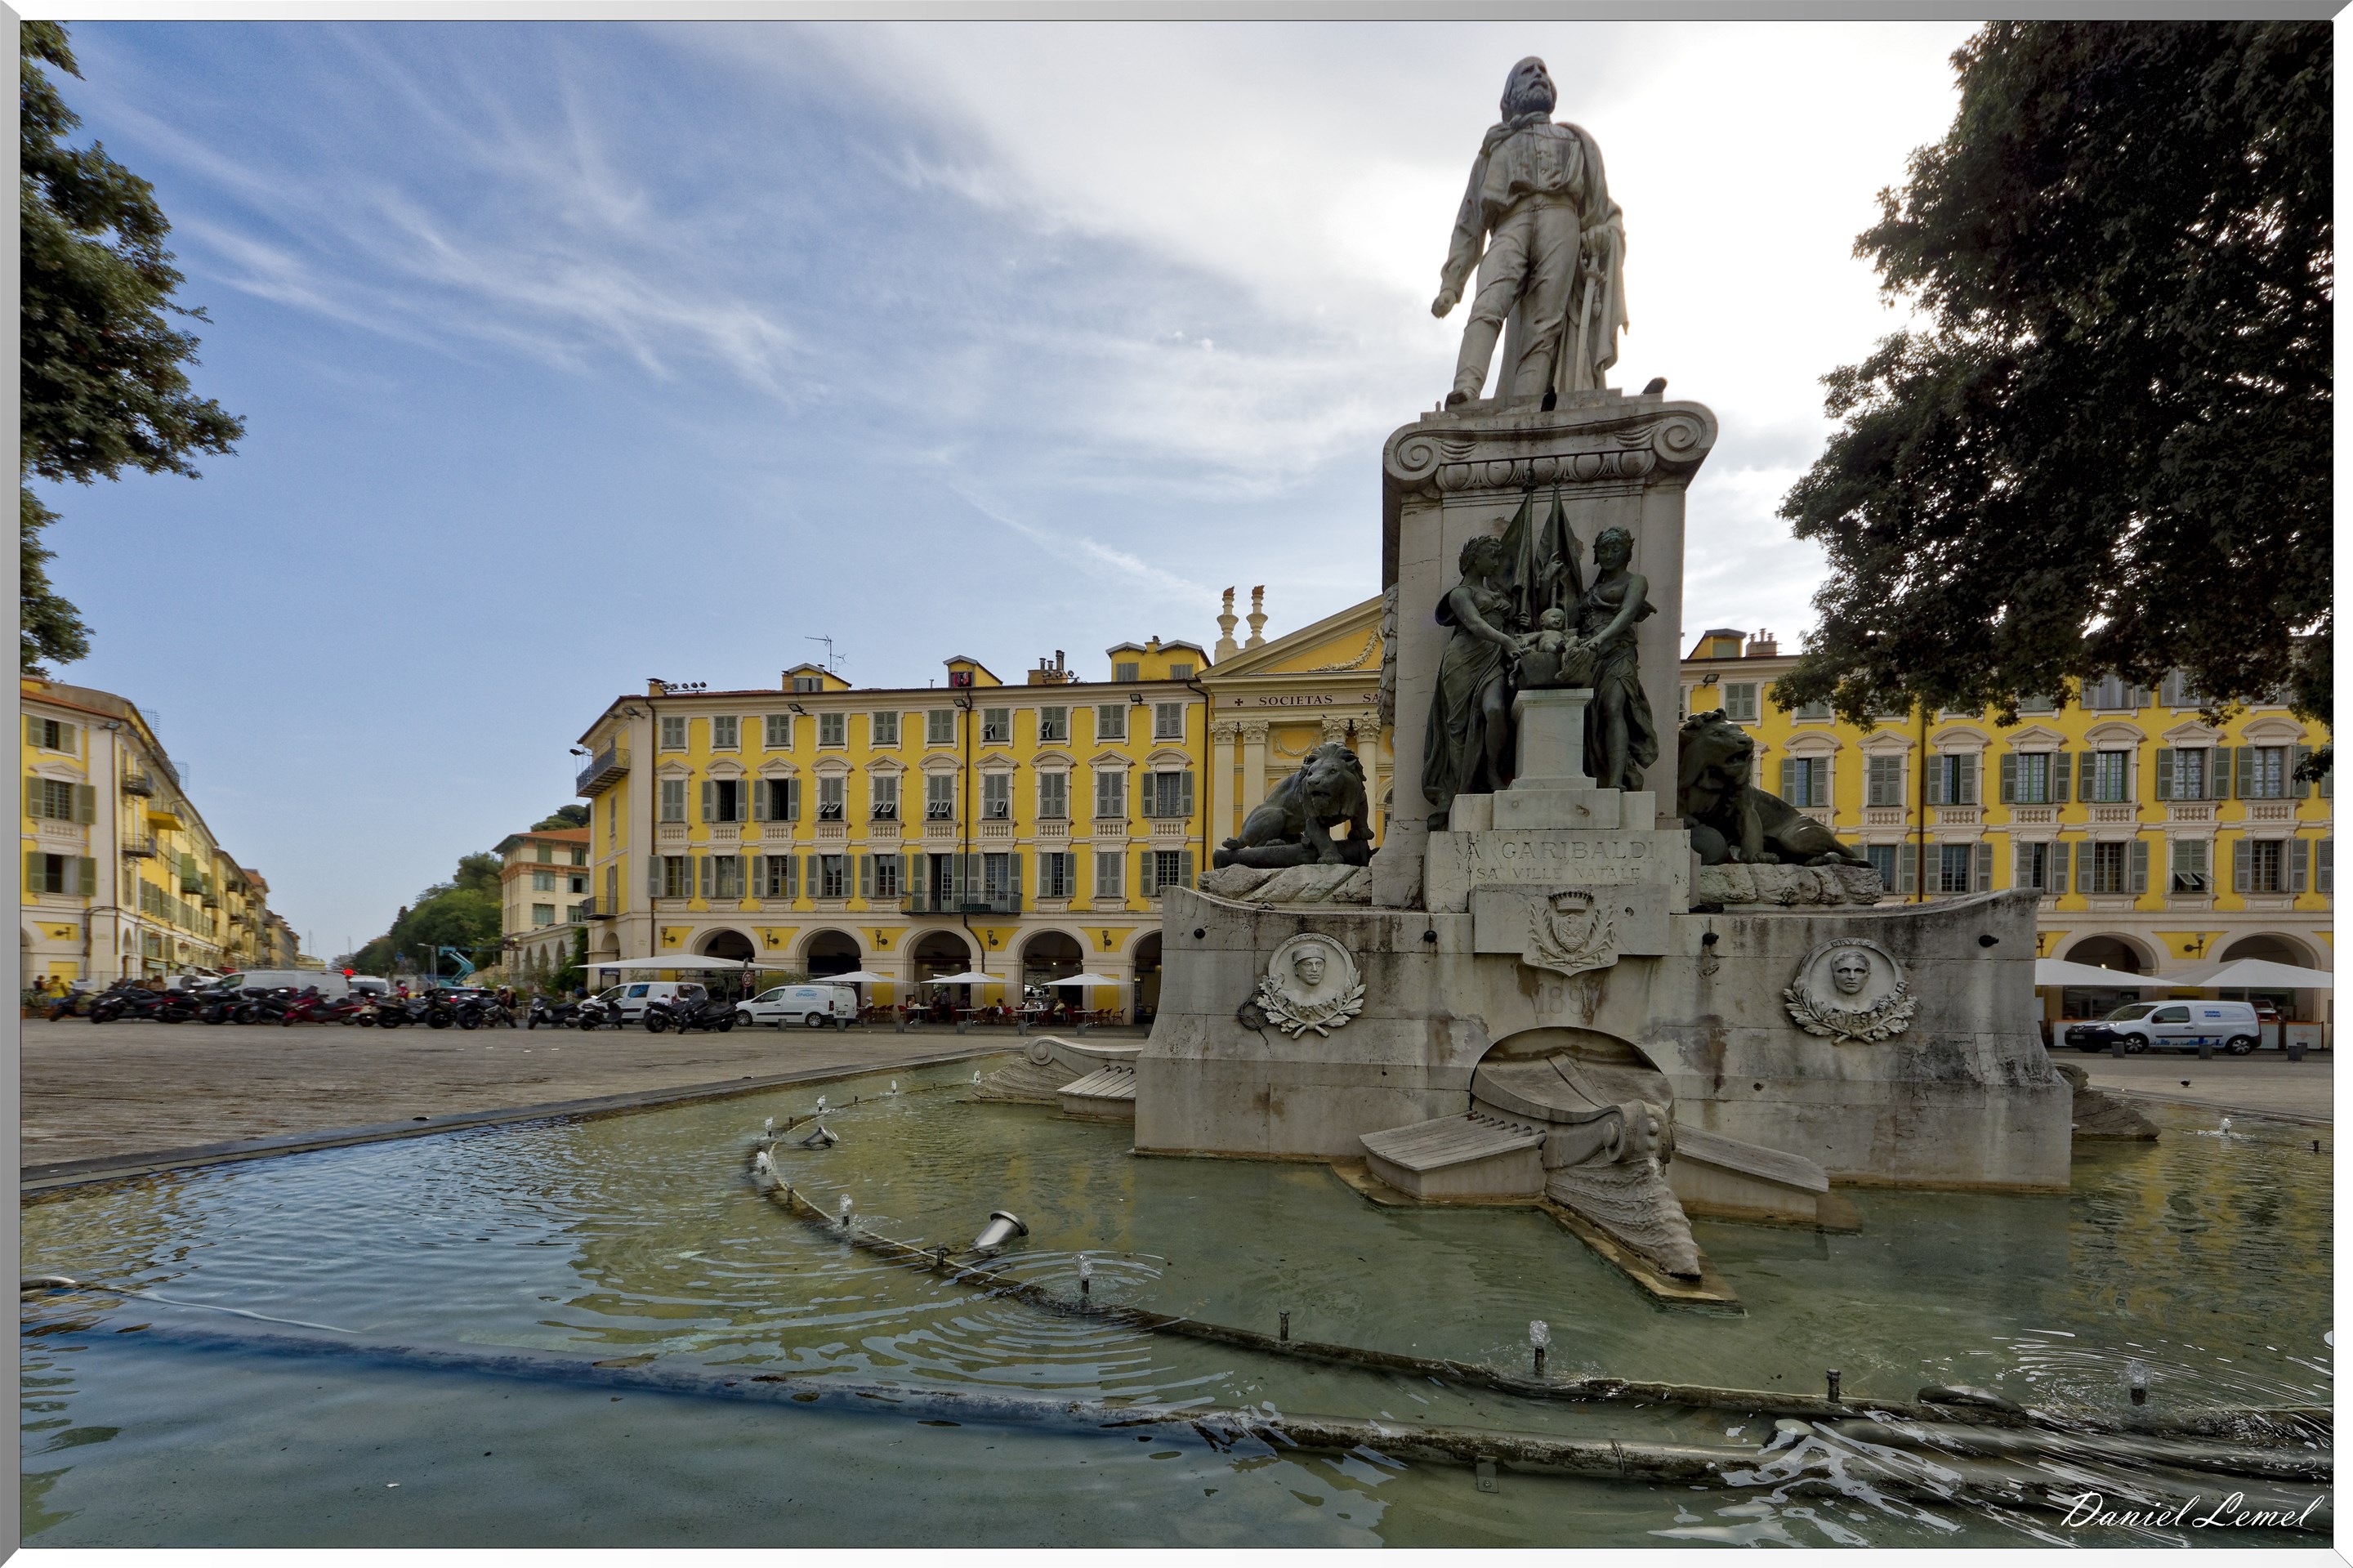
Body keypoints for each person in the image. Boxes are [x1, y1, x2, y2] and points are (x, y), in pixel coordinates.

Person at [1431, 56, 1627, 407]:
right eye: (1528, 72)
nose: (1539, 76)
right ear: (1510, 95)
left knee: (1544, 326)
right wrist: (1452, 283)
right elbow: (1469, 223)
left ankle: (1525, 404)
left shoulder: (1576, 139)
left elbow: (1599, 206)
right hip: (1510, 222)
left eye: (1544, 72)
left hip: (1561, 219)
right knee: (1489, 303)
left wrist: (1600, 232)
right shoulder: (1493, 150)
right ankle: (1465, 389)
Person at [1422, 535, 1528, 825]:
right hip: (1463, 661)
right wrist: (1507, 640)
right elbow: (1474, 624)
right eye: (1491, 556)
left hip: (1492, 660)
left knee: (1495, 710)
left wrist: (1516, 628)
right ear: (1474, 558)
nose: (1496, 562)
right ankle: (1461, 786)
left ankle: (1492, 770)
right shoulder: (1460, 594)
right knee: (1458, 727)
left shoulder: (1496, 593)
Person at [1574, 525, 1659, 793]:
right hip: (1588, 659)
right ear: (1596, 555)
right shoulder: (1593, 588)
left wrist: (1600, 639)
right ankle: (1596, 774)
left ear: (1627, 553)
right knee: (1590, 718)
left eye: (1615, 548)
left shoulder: (1636, 581)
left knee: (1614, 707)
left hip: (1617, 654)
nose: (1609, 554)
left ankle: (1616, 780)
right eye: (1604, 549)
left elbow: (1627, 613)